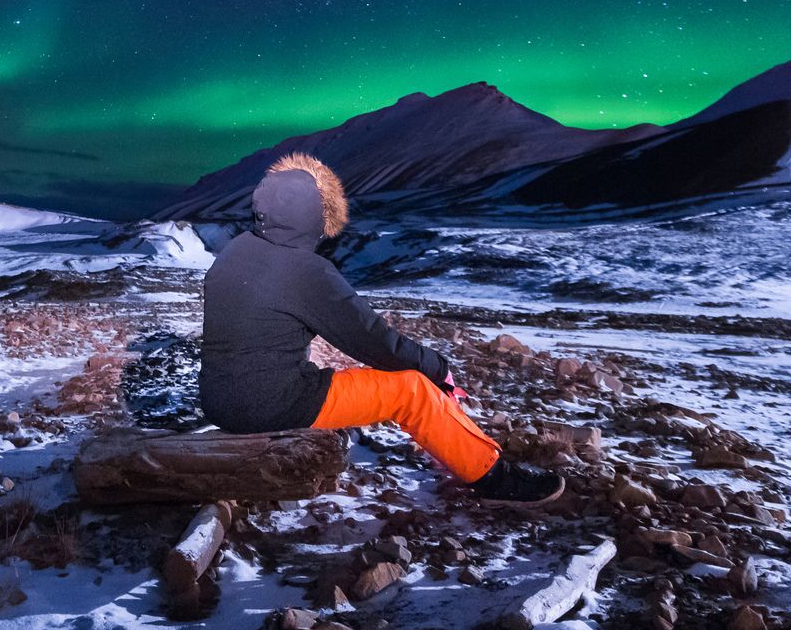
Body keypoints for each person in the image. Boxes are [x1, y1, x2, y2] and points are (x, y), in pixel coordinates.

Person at [198, 150, 564, 506]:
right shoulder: (307, 271)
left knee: (350, 380)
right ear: (314, 215)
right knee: (411, 391)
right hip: (270, 406)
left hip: (219, 400)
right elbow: (374, 341)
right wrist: (437, 368)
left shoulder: (236, 250)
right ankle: (493, 477)